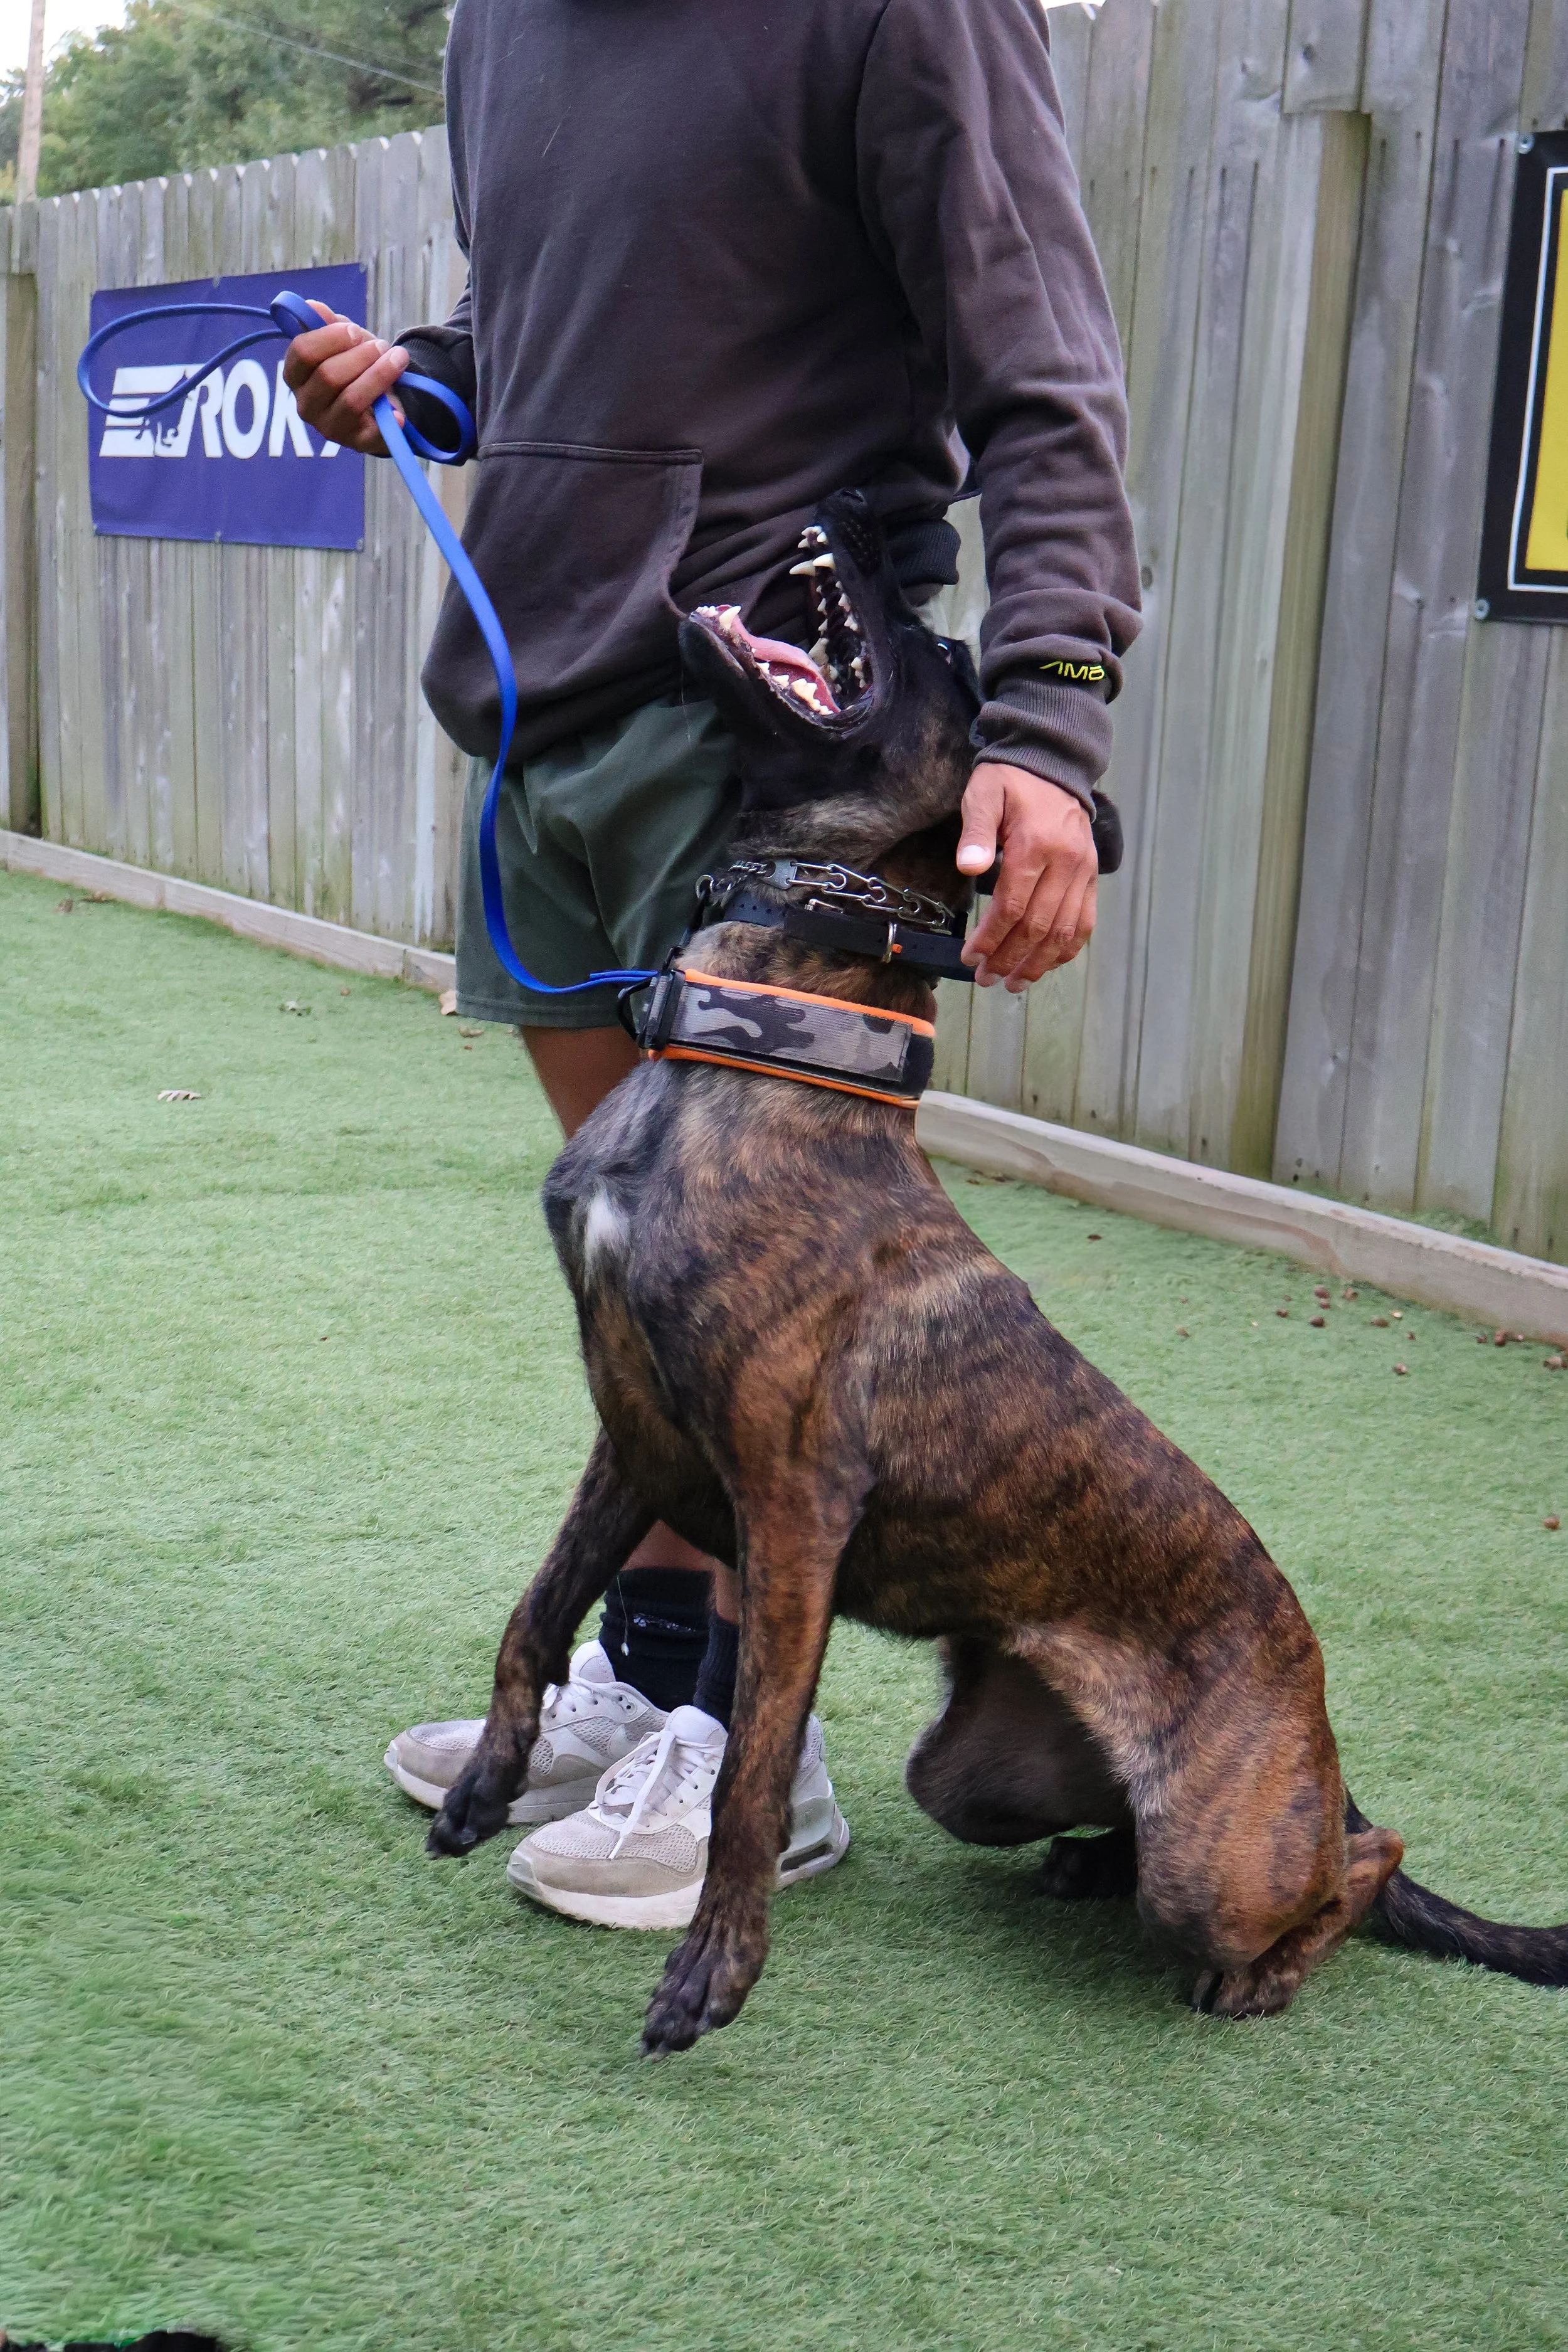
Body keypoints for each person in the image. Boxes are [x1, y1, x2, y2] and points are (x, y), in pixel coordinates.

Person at [283, 0, 1140, 1933]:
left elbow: (1041, 370)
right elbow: (554, 339)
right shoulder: (502, 24)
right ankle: (652, 1668)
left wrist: (1049, 720)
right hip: (540, 709)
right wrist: (421, 381)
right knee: (642, 1277)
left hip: (781, 730)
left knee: (761, 1285)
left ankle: (764, 1743)